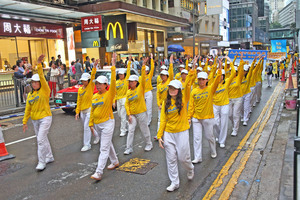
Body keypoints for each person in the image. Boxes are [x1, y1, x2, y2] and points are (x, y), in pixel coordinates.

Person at [157, 80, 195, 192]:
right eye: (170, 88)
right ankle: (174, 182)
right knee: (171, 159)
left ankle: (190, 168)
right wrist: (160, 136)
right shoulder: (165, 102)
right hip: (169, 133)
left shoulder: (184, 99)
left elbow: (188, 85)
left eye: (174, 88)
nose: (172, 90)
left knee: (183, 158)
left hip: (182, 132)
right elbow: (163, 119)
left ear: (179, 90)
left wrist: (192, 69)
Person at [89, 53, 119, 181]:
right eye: (97, 84)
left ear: (106, 85)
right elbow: (92, 110)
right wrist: (91, 123)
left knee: (104, 147)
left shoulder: (109, 94)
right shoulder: (95, 96)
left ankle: (99, 172)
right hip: (97, 124)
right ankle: (115, 161)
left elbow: (113, 81)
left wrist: (113, 65)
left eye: (100, 84)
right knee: (107, 144)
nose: (98, 85)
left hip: (107, 123)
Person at [23, 55, 54, 171]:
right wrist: (24, 121)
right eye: (33, 82)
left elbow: (42, 77)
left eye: (36, 82)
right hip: (35, 119)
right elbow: (27, 109)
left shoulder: (45, 91)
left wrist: (39, 64)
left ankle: (42, 162)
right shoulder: (30, 95)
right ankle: (49, 156)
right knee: (43, 138)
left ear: (40, 83)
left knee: (40, 139)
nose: (35, 84)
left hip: (45, 118)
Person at [188, 59, 222, 164]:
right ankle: (198, 157)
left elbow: (217, 80)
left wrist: (220, 68)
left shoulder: (210, 89)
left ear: (207, 80)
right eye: (199, 79)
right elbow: (191, 106)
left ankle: (213, 150)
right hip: (196, 118)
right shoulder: (194, 91)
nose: (201, 81)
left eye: (203, 79)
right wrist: (189, 117)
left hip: (208, 118)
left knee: (209, 136)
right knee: (196, 138)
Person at [124, 58, 153, 155]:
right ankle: (129, 148)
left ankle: (149, 143)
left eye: (132, 81)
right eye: (129, 81)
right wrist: (129, 114)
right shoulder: (128, 92)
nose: (130, 83)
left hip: (141, 113)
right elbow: (126, 103)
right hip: (132, 115)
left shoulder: (141, 88)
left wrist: (144, 66)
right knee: (131, 131)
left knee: (144, 129)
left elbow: (143, 79)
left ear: (136, 82)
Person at [75, 60, 99, 152]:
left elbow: (93, 75)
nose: (83, 82)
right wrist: (77, 112)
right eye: (82, 80)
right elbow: (79, 101)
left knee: (86, 128)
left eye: (85, 80)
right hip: (82, 111)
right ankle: (97, 136)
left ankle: (87, 144)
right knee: (89, 127)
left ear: (88, 81)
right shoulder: (80, 90)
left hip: (89, 110)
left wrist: (94, 67)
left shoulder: (90, 86)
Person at [213, 57, 235, 148]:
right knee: (215, 123)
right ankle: (219, 135)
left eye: (222, 75)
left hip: (225, 104)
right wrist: (219, 65)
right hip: (215, 105)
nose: (221, 77)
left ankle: (222, 140)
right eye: (219, 75)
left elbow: (233, 73)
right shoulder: (212, 83)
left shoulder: (226, 83)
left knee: (224, 122)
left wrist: (229, 61)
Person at [156, 54, 174, 133]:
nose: (162, 77)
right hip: (162, 104)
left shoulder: (170, 81)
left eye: (164, 75)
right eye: (161, 75)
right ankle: (158, 133)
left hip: (169, 103)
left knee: (169, 118)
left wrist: (170, 63)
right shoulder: (159, 85)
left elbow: (171, 72)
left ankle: (169, 131)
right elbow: (157, 95)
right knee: (160, 119)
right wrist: (158, 104)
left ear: (167, 76)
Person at [228, 54, 245, 136]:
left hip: (238, 98)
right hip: (229, 99)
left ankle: (235, 129)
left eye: (235, 71)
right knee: (230, 115)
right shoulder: (228, 79)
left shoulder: (239, 77)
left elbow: (241, 70)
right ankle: (234, 124)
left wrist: (241, 60)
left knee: (235, 114)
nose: (234, 73)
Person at [115, 57, 131, 137]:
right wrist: (114, 101)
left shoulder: (126, 80)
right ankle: (127, 124)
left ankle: (123, 130)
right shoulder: (116, 82)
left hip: (124, 98)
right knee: (120, 115)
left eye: (121, 74)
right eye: (119, 74)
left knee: (123, 115)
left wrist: (129, 62)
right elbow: (114, 92)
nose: (120, 75)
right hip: (118, 99)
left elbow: (128, 70)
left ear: (124, 75)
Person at [139, 53, 155, 126]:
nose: (145, 71)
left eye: (146, 70)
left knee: (149, 107)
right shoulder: (140, 78)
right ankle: (144, 120)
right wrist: (144, 63)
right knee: (143, 108)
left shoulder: (149, 76)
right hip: (142, 93)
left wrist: (151, 59)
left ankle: (148, 121)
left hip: (148, 92)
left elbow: (153, 68)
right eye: (144, 70)